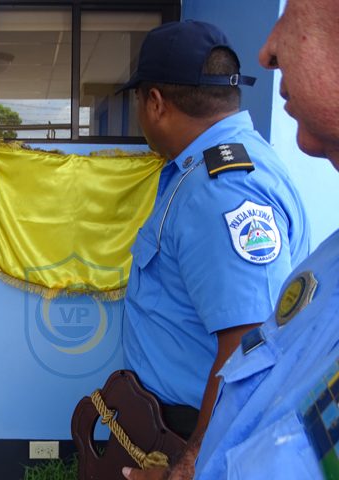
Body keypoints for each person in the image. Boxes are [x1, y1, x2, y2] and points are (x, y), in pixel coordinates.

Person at [117, 20, 311, 479]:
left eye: (137, 101)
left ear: (155, 102)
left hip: (191, 438)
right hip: (175, 427)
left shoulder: (221, 189)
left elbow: (248, 343)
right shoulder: (221, 163)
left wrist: (191, 464)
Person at [195, 1, 339, 478]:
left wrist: (188, 458)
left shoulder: (225, 184)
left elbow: (240, 326)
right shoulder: (330, 261)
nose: (267, 51)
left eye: (294, 9)